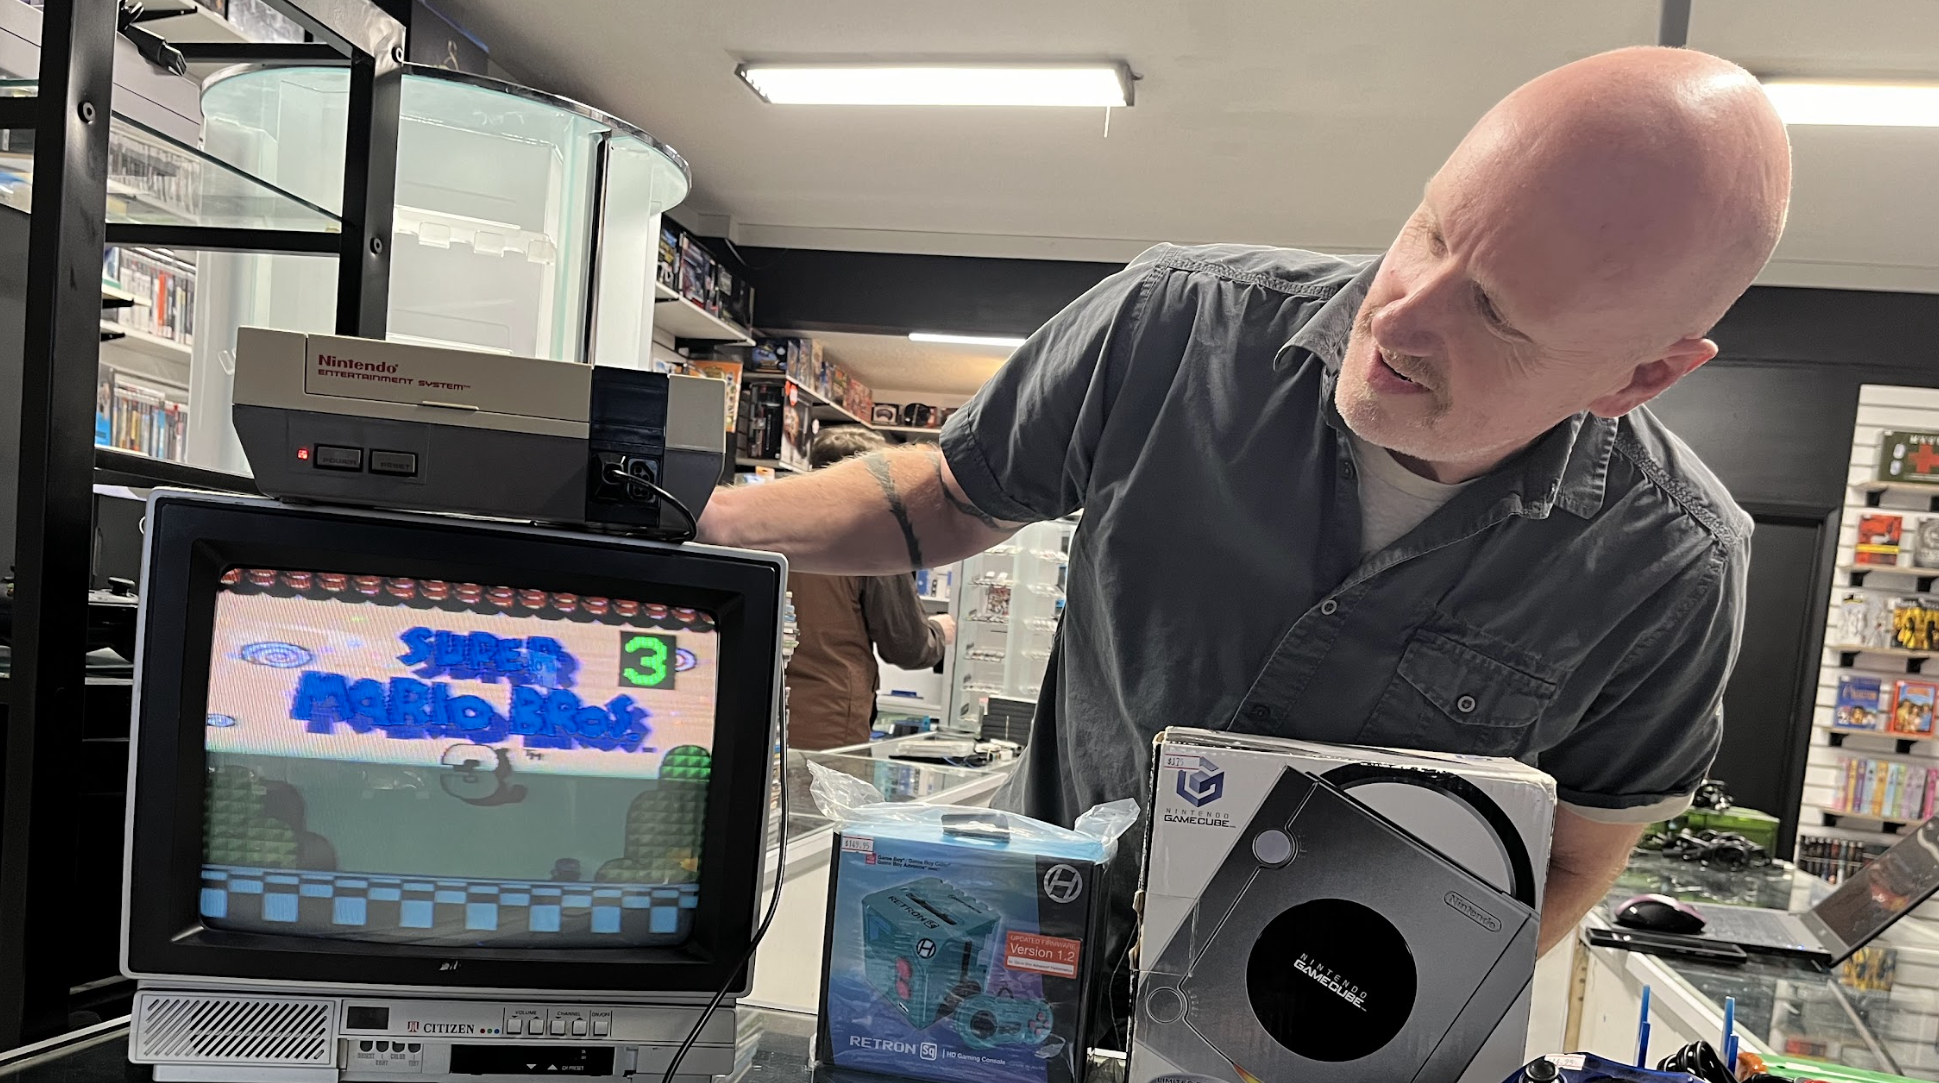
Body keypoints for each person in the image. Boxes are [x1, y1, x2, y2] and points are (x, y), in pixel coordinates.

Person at [702, 48, 1792, 983]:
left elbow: (1569, 863)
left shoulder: (1671, 568)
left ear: (1640, 376)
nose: (1397, 313)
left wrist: (1358, 1033)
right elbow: (947, 498)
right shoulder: (1175, 325)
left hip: (1314, 1069)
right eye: (1429, 232)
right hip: (1022, 969)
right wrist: (681, 521)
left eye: (1498, 313)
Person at [780, 426, 955, 749]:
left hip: (756, 712)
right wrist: (940, 632)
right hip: (827, 726)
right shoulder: (873, 540)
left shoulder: (771, 527)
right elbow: (907, 646)